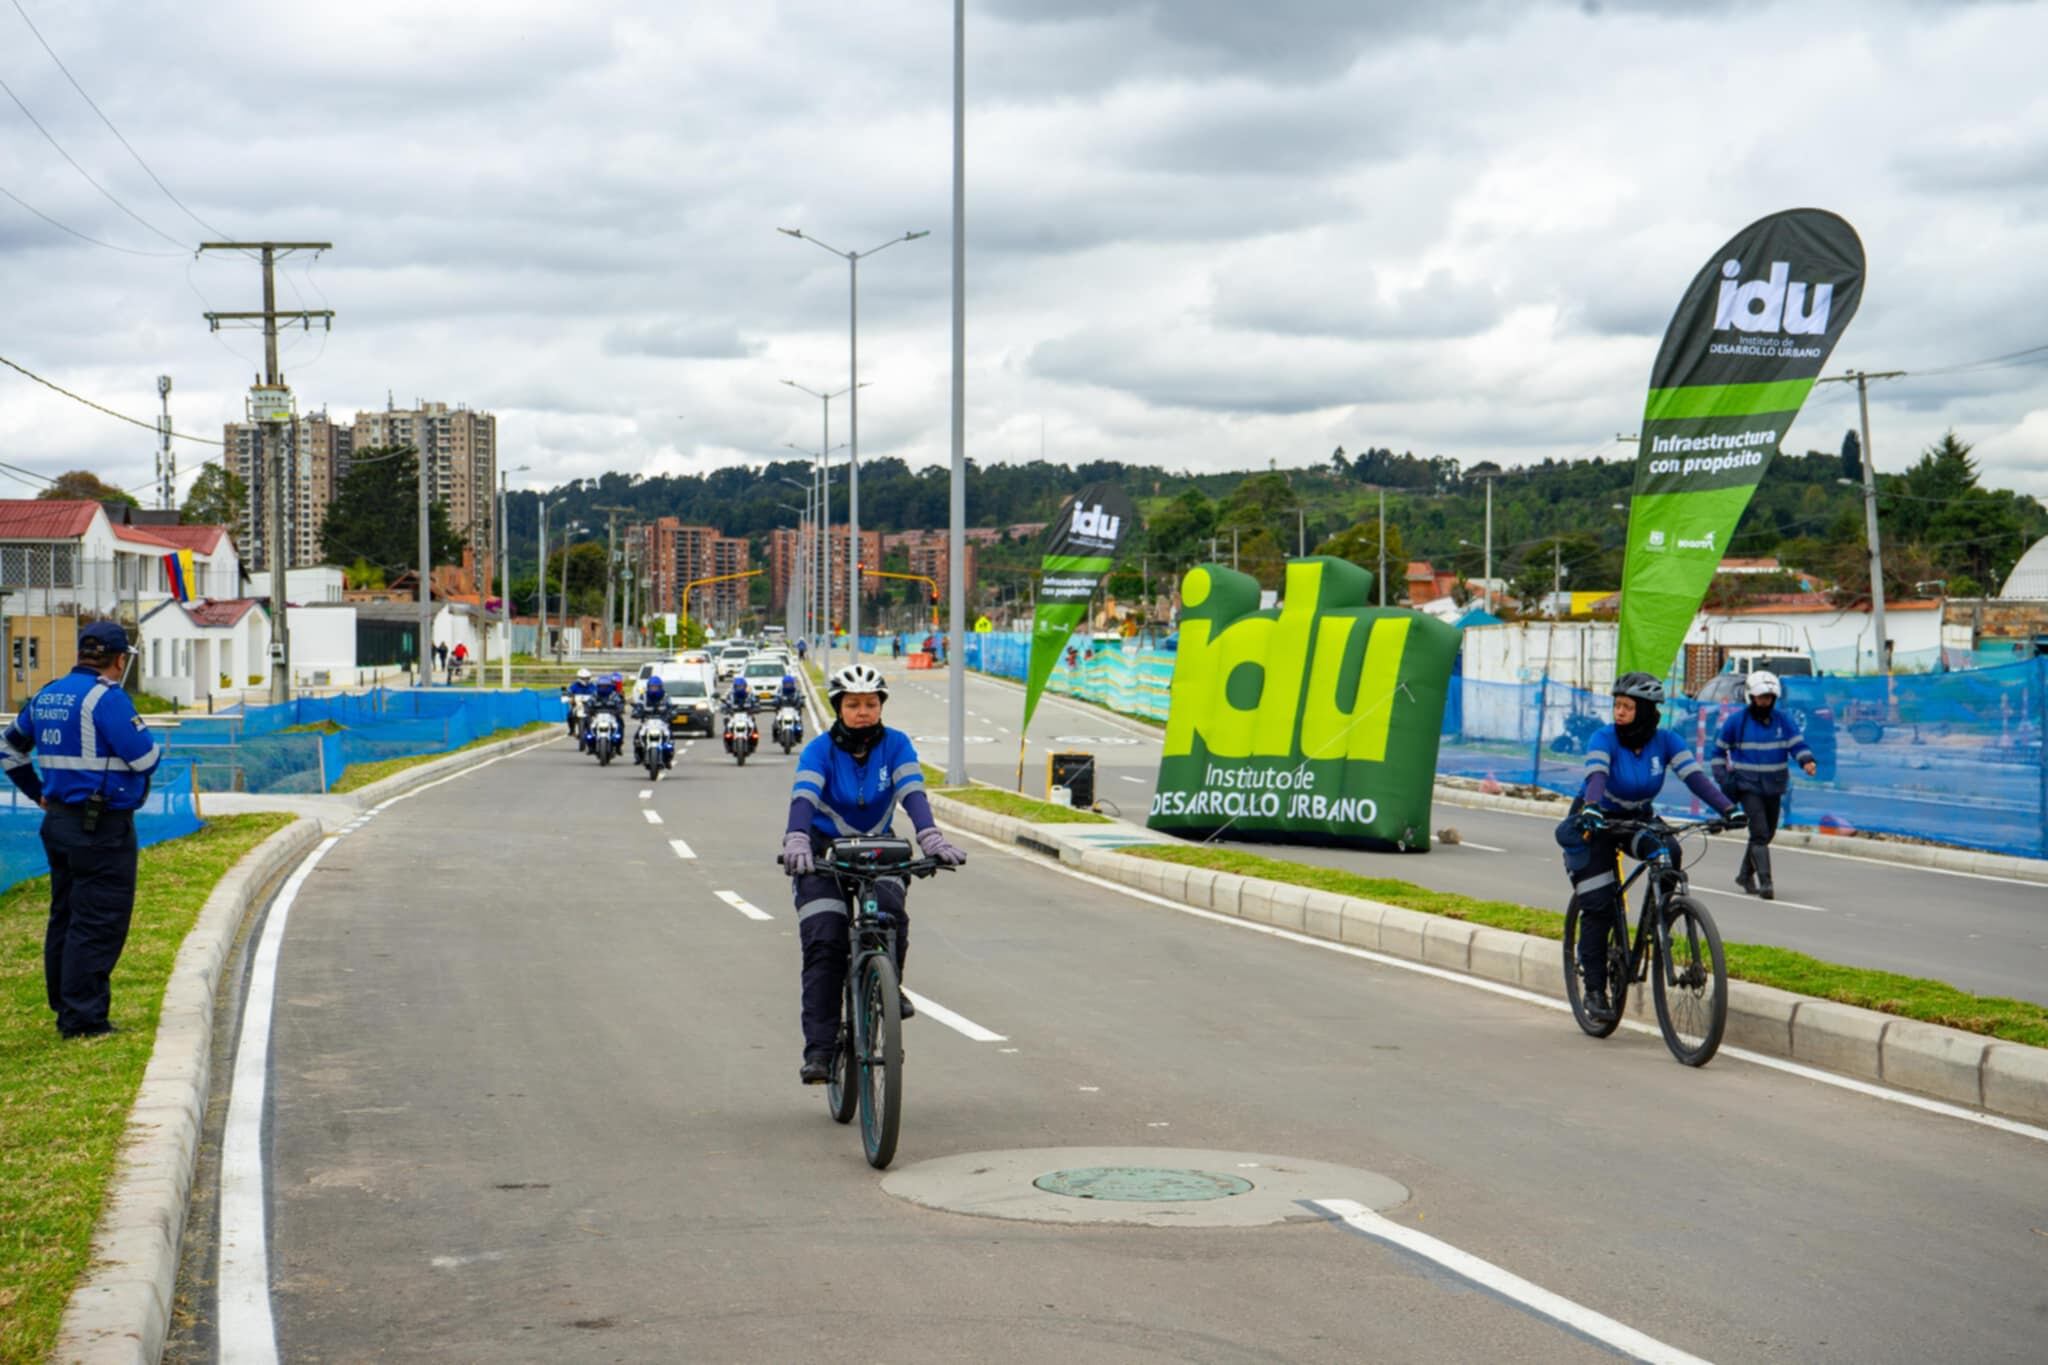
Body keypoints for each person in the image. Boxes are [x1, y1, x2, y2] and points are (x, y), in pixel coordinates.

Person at [781, 663, 967, 1084]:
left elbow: (912, 793)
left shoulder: (897, 745)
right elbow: (804, 797)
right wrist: (795, 838)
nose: (862, 711)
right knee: (825, 940)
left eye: (870, 703)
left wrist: (930, 838)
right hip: (822, 853)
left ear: (881, 706)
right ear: (839, 708)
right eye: (853, 704)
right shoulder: (819, 750)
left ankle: (888, 983)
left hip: (876, 848)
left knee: (888, 914)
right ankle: (821, 1052)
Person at [1, 622, 162, 1039]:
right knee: (98, 922)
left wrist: (38, 792)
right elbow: (145, 760)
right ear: (119, 659)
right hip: (101, 827)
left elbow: (8, 747)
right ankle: (84, 1020)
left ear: (81, 653)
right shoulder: (106, 698)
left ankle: (66, 1004)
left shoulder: (46, 694)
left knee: (66, 916)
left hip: (58, 822)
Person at [1557, 672, 1740, 1020]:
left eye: (1628, 707)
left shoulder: (1666, 741)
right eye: (1617, 705)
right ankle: (1595, 990)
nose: (1619, 712)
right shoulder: (1604, 737)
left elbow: (1695, 778)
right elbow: (1596, 776)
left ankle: (1662, 916)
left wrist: (1729, 809)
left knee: (1669, 850)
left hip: (1636, 818)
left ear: (1646, 711)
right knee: (1598, 904)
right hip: (1594, 821)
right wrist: (1593, 806)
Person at [1709, 670, 1817, 901]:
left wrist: (1806, 761)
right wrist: (1724, 779)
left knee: (1767, 833)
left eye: (1769, 697)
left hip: (1774, 786)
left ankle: (1744, 875)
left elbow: (1797, 744)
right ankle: (1766, 883)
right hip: (1747, 786)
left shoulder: (1783, 720)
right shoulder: (1736, 722)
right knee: (1758, 833)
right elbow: (1718, 752)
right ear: (1751, 697)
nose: (1765, 701)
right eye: (1761, 697)